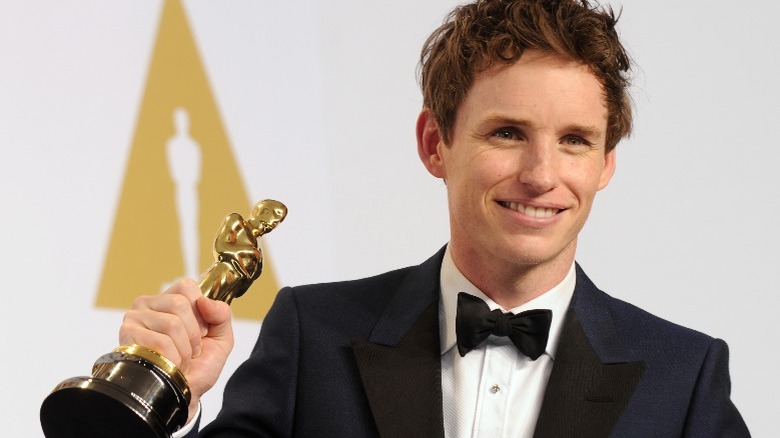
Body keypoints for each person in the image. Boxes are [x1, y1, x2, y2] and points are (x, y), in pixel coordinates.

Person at [119, 0, 750, 436]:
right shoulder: (314, 336)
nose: (541, 174)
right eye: (508, 132)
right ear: (434, 144)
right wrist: (175, 402)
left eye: (576, 141)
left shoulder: (683, 377)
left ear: (606, 163)